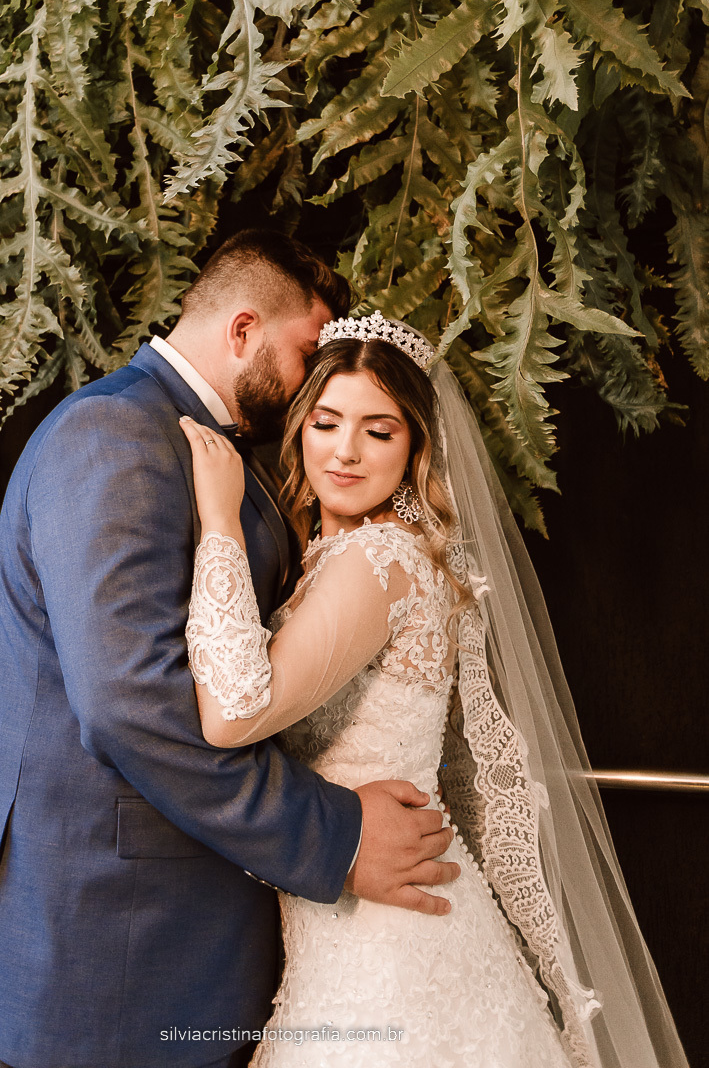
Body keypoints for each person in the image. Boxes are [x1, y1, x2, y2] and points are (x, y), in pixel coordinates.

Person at [0, 235, 460, 1068]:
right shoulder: (116, 437)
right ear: (243, 331)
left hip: (176, 952)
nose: (316, 383)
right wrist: (332, 836)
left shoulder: (216, 452)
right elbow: (133, 706)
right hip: (103, 958)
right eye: (307, 352)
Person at [178, 311, 690, 1068]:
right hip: (359, 924)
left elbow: (232, 714)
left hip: (388, 950)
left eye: (378, 431)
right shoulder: (340, 555)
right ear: (299, 429)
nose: (345, 451)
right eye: (325, 422)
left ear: (415, 445)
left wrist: (217, 517)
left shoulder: (380, 560)